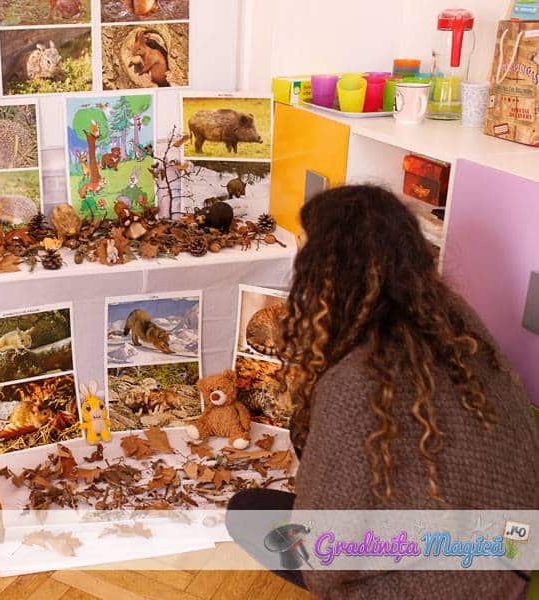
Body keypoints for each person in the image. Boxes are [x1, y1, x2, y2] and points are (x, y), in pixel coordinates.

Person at [227, 185, 538, 598]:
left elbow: (324, 561)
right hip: (516, 554)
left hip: (447, 589)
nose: (297, 252)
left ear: (327, 269)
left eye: (304, 244)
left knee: (247, 511)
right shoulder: (454, 318)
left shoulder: (354, 383)